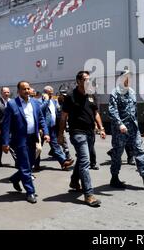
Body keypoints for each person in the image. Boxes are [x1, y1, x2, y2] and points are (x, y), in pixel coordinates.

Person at [58, 71, 105, 207]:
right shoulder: (71, 96)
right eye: (85, 79)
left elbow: (95, 113)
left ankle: (74, 181)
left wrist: (101, 128)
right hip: (78, 133)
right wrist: (60, 135)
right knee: (85, 161)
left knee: (82, 159)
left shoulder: (91, 95)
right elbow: (63, 116)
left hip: (90, 132)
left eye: (89, 79)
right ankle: (88, 194)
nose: (87, 82)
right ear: (78, 81)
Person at [108, 70, 144, 189]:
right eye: (126, 77)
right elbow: (112, 110)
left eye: (129, 77)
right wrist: (119, 124)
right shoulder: (115, 92)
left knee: (139, 150)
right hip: (121, 130)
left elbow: (134, 111)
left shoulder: (131, 92)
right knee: (117, 153)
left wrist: (137, 125)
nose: (128, 79)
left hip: (133, 128)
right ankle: (114, 178)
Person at [1, 81, 49, 204]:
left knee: (31, 163)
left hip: (33, 138)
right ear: (18, 91)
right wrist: (5, 143)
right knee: (25, 166)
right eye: (24, 89)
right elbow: (6, 126)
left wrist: (46, 132)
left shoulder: (35, 103)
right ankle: (30, 192)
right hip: (20, 140)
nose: (27, 91)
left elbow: (41, 118)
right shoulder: (12, 104)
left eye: (28, 88)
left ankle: (15, 178)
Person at [34, 85, 73, 171]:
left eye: (52, 93)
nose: (51, 95)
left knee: (56, 146)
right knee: (39, 148)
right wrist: (46, 100)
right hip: (42, 128)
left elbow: (57, 113)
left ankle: (63, 163)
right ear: (45, 93)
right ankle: (36, 165)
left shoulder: (54, 101)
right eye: (49, 93)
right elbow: (39, 110)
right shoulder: (39, 101)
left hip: (52, 128)